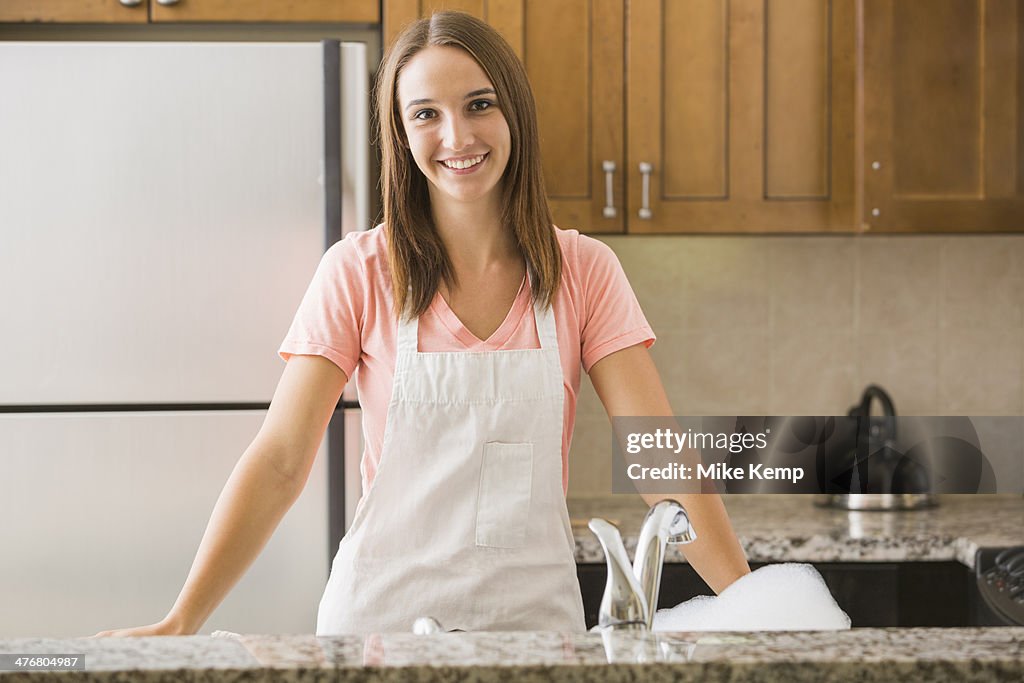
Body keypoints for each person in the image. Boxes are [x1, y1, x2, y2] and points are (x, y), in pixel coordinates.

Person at [92, 10, 750, 637]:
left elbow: (659, 459)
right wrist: (182, 617)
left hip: (535, 632)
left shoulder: (583, 271)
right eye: (426, 114)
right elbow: (281, 460)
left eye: (478, 104)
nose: (457, 136)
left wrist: (755, 606)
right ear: (402, 135)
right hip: (380, 629)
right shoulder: (358, 271)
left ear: (513, 111)